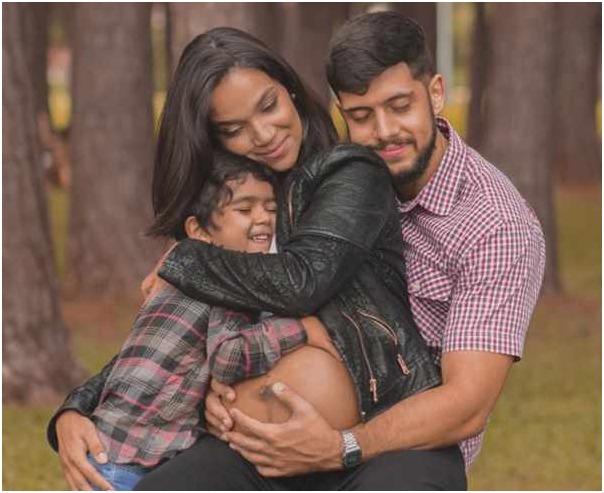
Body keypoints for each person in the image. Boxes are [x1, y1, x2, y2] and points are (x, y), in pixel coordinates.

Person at [48, 24, 453, 491]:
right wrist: (78, 406)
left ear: (291, 91)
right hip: (249, 451)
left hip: (373, 435)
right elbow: (170, 332)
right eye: (234, 129)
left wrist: (187, 259)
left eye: (268, 105)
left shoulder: (349, 171)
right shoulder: (231, 219)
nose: (262, 134)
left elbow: (304, 280)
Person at [71, 152, 356, 490]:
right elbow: (228, 357)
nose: (263, 218)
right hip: (132, 460)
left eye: (271, 208)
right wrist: (302, 330)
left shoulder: (178, 279)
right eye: (244, 210)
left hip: (115, 446)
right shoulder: (222, 283)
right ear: (198, 231)